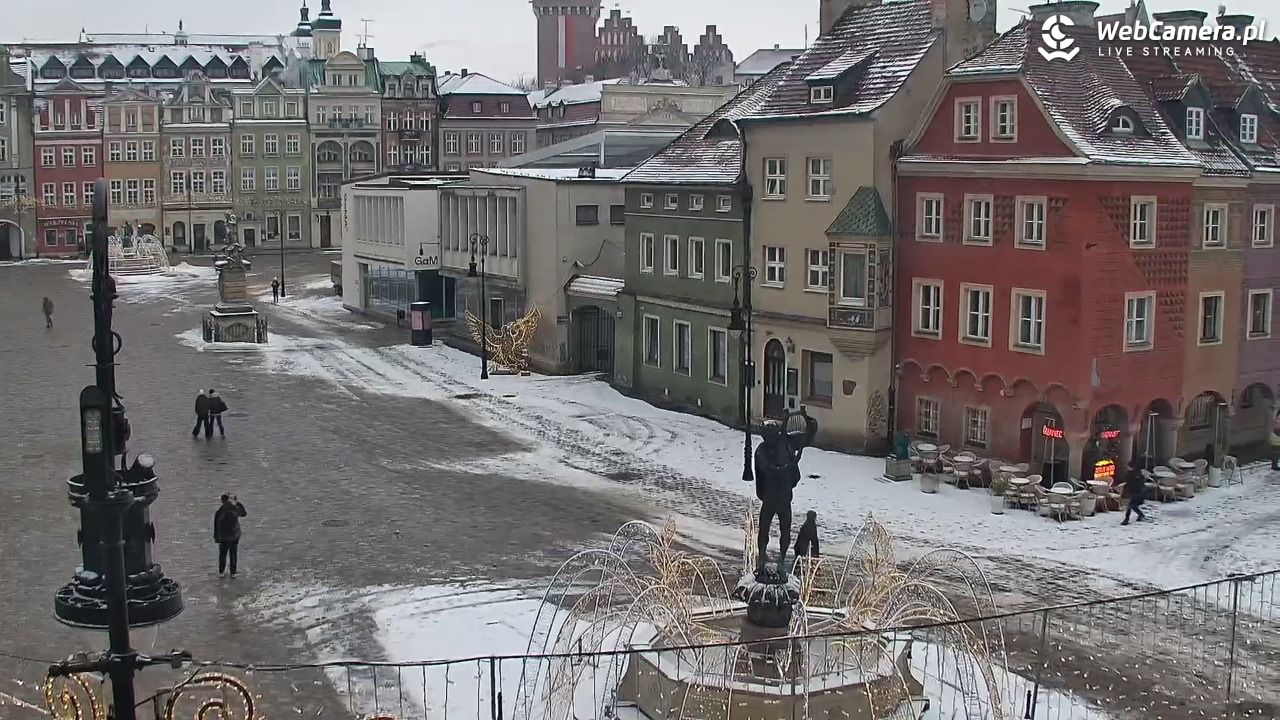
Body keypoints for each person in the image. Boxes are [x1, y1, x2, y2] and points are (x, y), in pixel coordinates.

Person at [213, 494, 247, 577]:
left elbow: (216, 525)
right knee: (233, 554)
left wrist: (217, 537)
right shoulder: (234, 509)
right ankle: (233, 572)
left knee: (223, 555)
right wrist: (237, 503)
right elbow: (243, 513)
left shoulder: (221, 511)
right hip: (234, 536)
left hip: (225, 537)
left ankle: (222, 571)